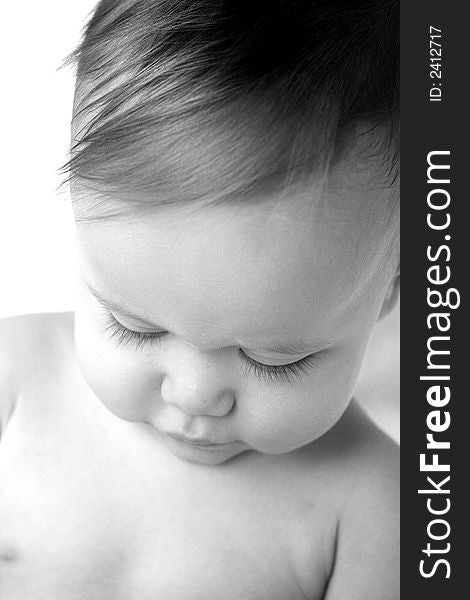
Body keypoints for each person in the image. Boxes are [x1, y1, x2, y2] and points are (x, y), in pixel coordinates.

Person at [0, 1, 400, 598]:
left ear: (389, 293)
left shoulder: (379, 516)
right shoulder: (14, 380)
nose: (193, 395)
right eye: (133, 325)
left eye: (274, 359)